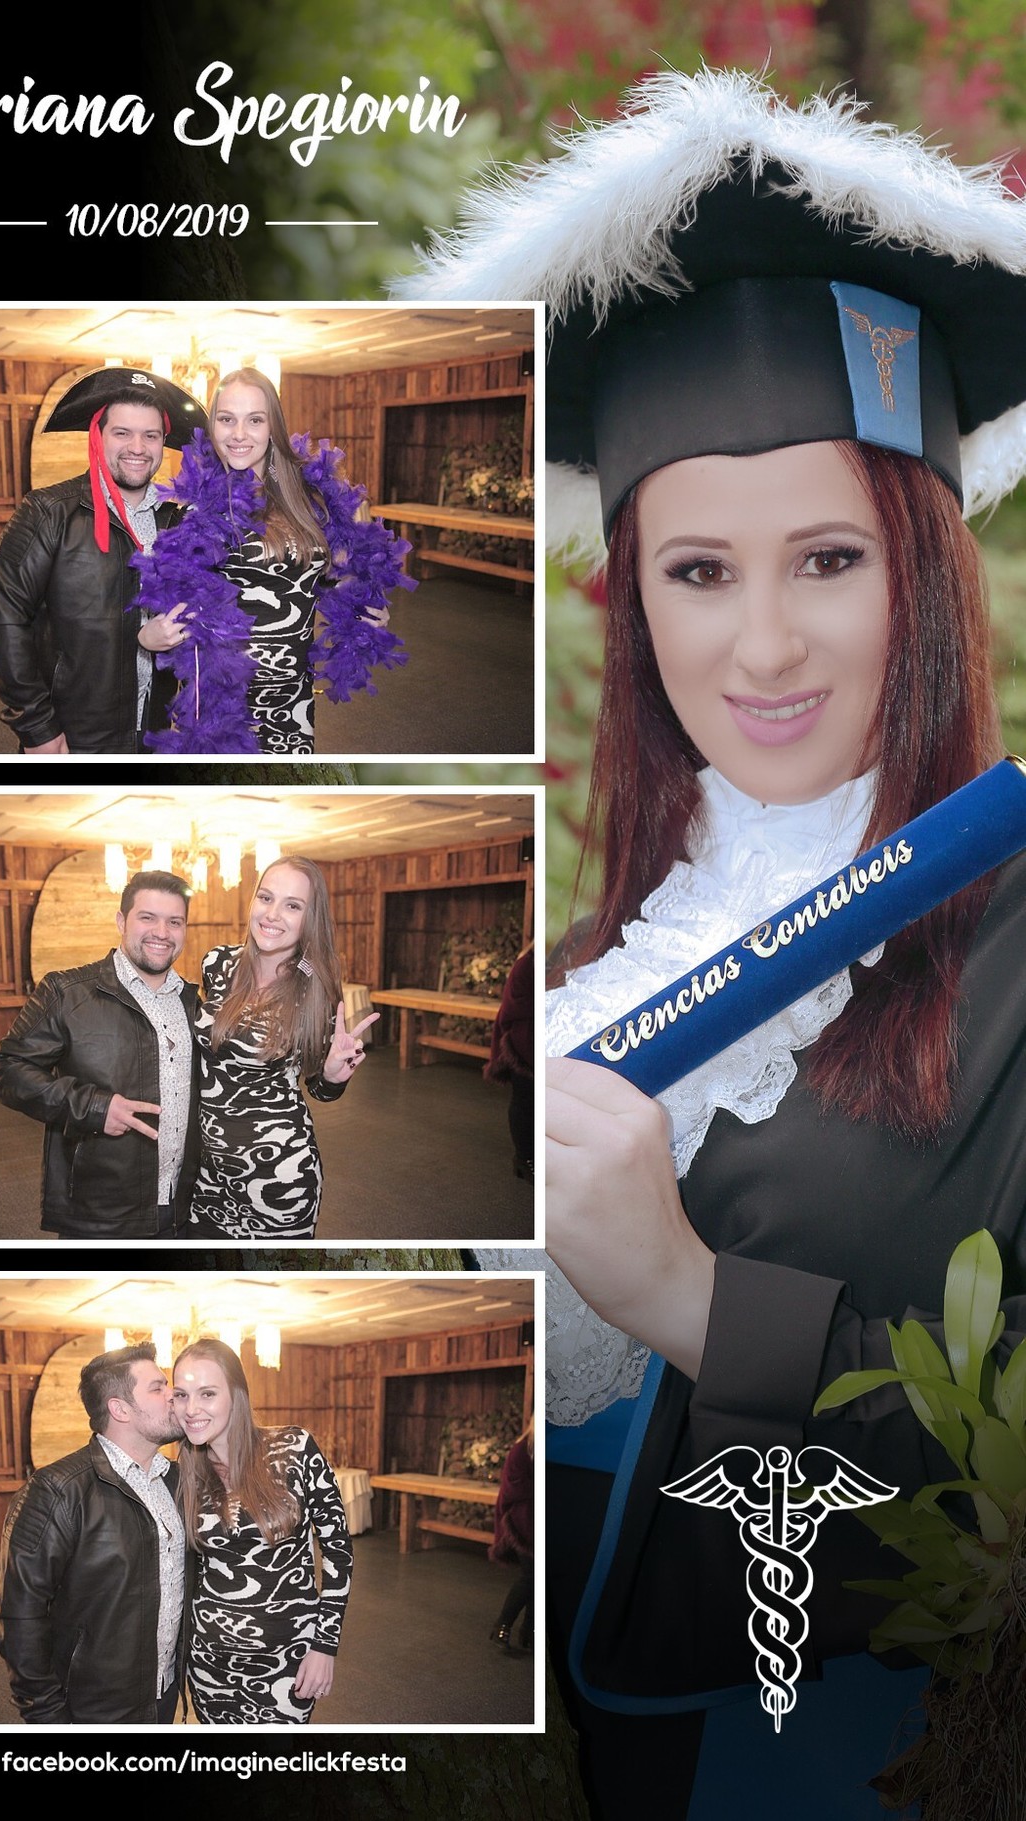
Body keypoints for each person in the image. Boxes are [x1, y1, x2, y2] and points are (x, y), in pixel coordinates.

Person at [404, 68, 1026, 1819]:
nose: (762, 646)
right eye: (696, 572)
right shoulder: (580, 971)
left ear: (924, 571)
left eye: (827, 558)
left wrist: (686, 1295)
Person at [132, 367, 413, 754]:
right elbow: (166, 597)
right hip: (222, 707)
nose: (239, 434)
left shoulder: (311, 499)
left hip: (293, 700)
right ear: (212, 426)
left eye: (255, 420)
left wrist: (365, 607)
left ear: (273, 426)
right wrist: (147, 636)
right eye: (226, 419)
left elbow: (335, 574)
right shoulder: (195, 507)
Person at [0, 367, 207, 753]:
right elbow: (2, 623)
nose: (138, 447)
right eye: (122, 433)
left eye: (150, 435)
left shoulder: (174, 521)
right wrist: (37, 728)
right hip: (74, 733)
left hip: (153, 730)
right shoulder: (48, 512)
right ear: (97, 436)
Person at [0, 870, 200, 1239]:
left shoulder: (194, 1002)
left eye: (174, 921)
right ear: (121, 921)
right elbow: (5, 1069)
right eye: (147, 917)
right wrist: (95, 1107)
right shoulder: (66, 993)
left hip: (183, 1209)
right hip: (101, 1215)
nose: (162, 932)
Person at [0, 1344, 188, 1724]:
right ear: (120, 1409)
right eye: (158, 1387)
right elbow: (18, 1616)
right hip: (91, 1707)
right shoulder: (57, 1490)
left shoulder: (177, 1481)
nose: (173, 1395)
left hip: (164, 1695)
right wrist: (46, 1713)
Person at [188, 854, 377, 1240]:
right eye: (266, 898)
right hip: (207, 1176)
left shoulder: (315, 990)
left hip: (279, 1177)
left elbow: (319, 1090)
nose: (272, 914)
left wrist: (332, 1076)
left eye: (292, 905)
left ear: (310, 918)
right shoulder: (218, 963)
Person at [170, 1337, 352, 1724]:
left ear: (237, 1395)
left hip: (289, 1659)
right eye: (181, 1395)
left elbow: (338, 1549)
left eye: (207, 1393)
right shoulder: (185, 1474)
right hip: (210, 1664)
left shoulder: (295, 1448)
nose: (191, 1409)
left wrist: (325, 1644)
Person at [484, 941, 534, 1181]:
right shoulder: (526, 964)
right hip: (523, 1043)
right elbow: (512, 1006)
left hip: (536, 1038)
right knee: (524, 1102)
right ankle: (524, 1157)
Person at [488, 1414, 534, 1654]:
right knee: (530, 1577)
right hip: (522, 1522)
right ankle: (503, 1624)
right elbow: (512, 1488)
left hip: (538, 1519)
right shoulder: (521, 1450)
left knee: (538, 1579)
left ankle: (530, 1631)